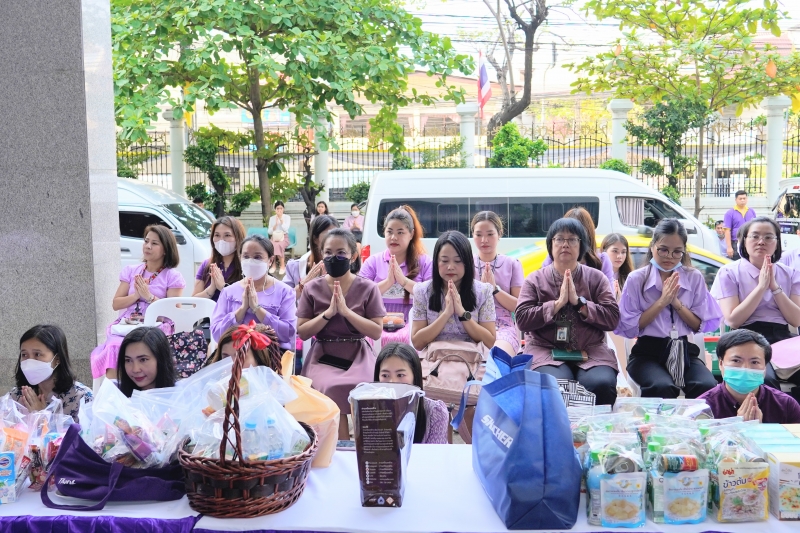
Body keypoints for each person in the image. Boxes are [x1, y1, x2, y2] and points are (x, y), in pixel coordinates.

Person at [516, 218, 620, 406]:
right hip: (545, 351)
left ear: (581, 246)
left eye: (572, 239)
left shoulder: (596, 278)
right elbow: (522, 319)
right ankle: (558, 435)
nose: (565, 244)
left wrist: (580, 304)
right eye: (559, 239)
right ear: (551, 245)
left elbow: (612, 318)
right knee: (555, 385)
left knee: (601, 383)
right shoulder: (535, 279)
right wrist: (556, 304)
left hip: (591, 351)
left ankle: (591, 434)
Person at [616, 219, 721, 399]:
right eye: (663, 249)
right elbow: (631, 327)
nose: (669, 257)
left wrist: (676, 303)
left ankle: (693, 427)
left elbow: (698, 326)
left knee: (706, 385)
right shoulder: (637, 279)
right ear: (652, 246)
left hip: (683, 350)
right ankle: (655, 427)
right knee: (661, 387)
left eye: (677, 252)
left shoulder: (693, 277)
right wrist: (662, 302)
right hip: (647, 353)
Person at [297, 228, 386, 439]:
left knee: (364, 387)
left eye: (340, 253)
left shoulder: (368, 288)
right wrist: (328, 314)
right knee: (329, 386)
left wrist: (346, 312)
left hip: (357, 353)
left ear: (353, 255)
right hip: (323, 354)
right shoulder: (312, 289)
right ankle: (340, 447)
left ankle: (368, 446)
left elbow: (376, 331)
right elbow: (302, 332)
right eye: (328, 253)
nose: (333, 258)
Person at [711, 216, 800, 391]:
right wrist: (761, 287)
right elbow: (733, 320)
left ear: (776, 243)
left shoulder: (789, 273)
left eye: (768, 237)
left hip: (781, 338)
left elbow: (796, 320)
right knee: (763, 380)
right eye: (755, 236)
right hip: (745, 337)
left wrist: (774, 287)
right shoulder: (729, 272)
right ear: (744, 241)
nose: (761, 242)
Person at [90, 225, 186, 382]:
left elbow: (174, 312)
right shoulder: (131, 270)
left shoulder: (172, 276)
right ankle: (113, 395)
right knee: (114, 345)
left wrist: (149, 297)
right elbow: (116, 304)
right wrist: (136, 295)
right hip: (129, 323)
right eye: (146, 241)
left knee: (144, 345)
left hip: (157, 326)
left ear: (166, 249)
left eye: (154, 243)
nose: (148, 246)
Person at [411, 231, 496, 350]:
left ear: (467, 263)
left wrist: (462, 312)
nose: (450, 267)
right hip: (434, 362)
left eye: (457, 261)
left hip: (473, 361)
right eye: (444, 261)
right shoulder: (422, 291)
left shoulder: (484, 291)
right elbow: (417, 343)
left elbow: (490, 342)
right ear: (436, 262)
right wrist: (446, 314)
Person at [360, 205, 432, 345]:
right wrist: (388, 282)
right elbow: (360, 295)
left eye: (400, 232)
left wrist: (403, 281)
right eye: (390, 232)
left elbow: (433, 295)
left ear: (411, 234)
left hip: (414, 325)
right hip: (377, 325)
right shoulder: (373, 262)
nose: (394, 237)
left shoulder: (425, 262)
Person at [210, 235, 296, 351]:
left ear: (270, 260)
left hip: (271, 356)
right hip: (235, 355)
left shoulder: (284, 292)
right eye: (246, 256)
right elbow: (217, 333)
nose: (250, 261)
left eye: (257, 257)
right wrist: (241, 310)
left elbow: (289, 332)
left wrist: (257, 309)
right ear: (240, 258)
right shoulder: (228, 292)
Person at [698, 330, 800, 423]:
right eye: (736, 361)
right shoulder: (702, 408)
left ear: (765, 367)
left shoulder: (786, 405)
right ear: (721, 364)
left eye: (754, 362)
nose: (745, 368)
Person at [11, 325, 92, 422]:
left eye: (37, 354)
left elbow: (87, 435)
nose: (29, 361)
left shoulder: (81, 398)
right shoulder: (17, 395)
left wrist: (42, 417)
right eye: (24, 355)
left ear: (57, 359)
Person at [375, 342, 449, 444]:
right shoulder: (368, 410)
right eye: (385, 375)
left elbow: (435, 457)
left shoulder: (436, 413)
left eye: (400, 375)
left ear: (415, 375)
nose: (392, 382)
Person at [472, 211, 524, 355]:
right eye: (478, 234)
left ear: (499, 234)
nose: (484, 240)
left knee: (498, 354)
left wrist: (495, 290)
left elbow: (519, 305)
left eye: (490, 234)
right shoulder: (466, 263)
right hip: (472, 322)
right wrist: (481, 290)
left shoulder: (512, 264)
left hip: (503, 325)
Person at [541, 207, 615, 284]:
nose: (566, 244)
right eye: (561, 238)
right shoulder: (551, 260)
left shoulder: (601, 261)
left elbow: (608, 293)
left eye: (572, 239)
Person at [284, 215, 339, 301]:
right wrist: (303, 284)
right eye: (328, 235)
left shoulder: (344, 265)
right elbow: (282, 299)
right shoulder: (295, 267)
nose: (333, 240)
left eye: (337, 236)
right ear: (315, 239)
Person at [193, 216, 245, 301]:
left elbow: (251, 300)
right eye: (217, 235)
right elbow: (194, 301)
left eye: (227, 235)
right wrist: (211, 288)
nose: (221, 240)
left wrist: (223, 287)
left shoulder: (246, 266)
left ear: (238, 237)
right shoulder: (207, 265)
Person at [116, 327, 177, 398]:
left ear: (161, 359)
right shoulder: (116, 398)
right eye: (128, 360)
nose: (135, 370)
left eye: (143, 360)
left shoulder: (180, 398)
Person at [204, 323, 283, 371]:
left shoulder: (271, 391)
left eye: (241, 356)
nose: (232, 363)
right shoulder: (216, 389)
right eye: (226, 357)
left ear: (258, 360)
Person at [722, 190, 756, 259]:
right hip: (736, 243)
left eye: (744, 198)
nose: (742, 200)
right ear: (736, 200)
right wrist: (729, 247)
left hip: (750, 241)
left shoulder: (751, 211)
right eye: (740, 199)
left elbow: (756, 226)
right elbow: (727, 231)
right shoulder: (730, 213)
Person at [601, 233, 634, 298]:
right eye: (615, 251)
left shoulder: (630, 278)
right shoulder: (596, 275)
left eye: (623, 252)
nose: (619, 256)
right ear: (604, 251)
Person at [268, 200, 291, 275]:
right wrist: (275, 225)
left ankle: (282, 266)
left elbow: (286, 229)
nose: (279, 210)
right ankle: (273, 265)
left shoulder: (287, 217)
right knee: (271, 245)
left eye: (281, 208)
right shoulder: (272, 218)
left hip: (284, 237)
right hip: (274, 237)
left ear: (283, 209)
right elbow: (269, 232)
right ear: (275, 209)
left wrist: (281, 221)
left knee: (278, 245)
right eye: (277, 208)